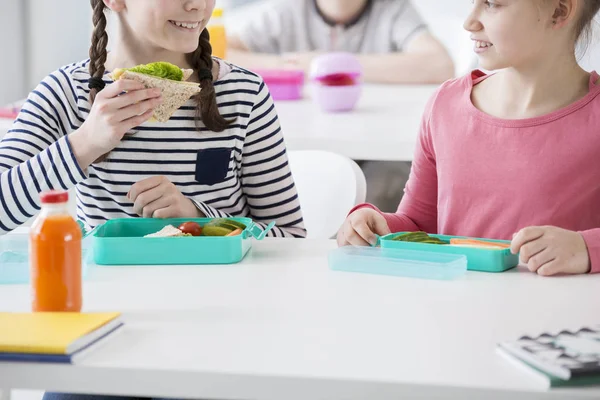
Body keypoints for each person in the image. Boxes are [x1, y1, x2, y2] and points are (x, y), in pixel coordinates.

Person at [0, 0, 306, 239]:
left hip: (220, 295)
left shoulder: (243, 93)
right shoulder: (66, 92)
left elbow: (288, 236)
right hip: (108, 298)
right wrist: (84, 144)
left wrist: (198, 218)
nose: (197, 5)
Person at [337, 0, 600, 276]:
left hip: (559, 316)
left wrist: (585, 247)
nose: (469, 22)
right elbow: (420, 225)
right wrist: (377, 226)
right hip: (457, 311)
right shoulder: (445, 105)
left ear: (559, 11)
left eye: (492, 4)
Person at [227, 0, 455, 84]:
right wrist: (291, 65)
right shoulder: (285, 10)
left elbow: (440, 65)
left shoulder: (393, 9)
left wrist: (329, 64)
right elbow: (222, 52)